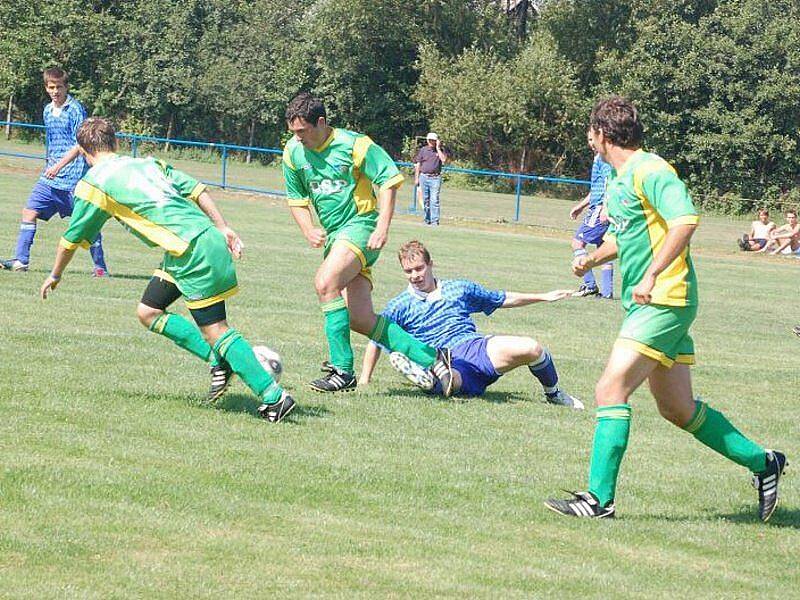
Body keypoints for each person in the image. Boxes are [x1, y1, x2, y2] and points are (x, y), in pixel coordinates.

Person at [544, 96, 786, 521]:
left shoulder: (651, 169)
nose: (588, 140)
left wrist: (653, 274)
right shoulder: (621, 180)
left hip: (665, 298)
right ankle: (765, 463)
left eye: (590, 132)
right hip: (652, 301)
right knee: (677, 408)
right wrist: (593, 258)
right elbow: (628, 237)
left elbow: (686, 220)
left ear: (602, 134)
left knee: (609, 389)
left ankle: (599, 501)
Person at [39, 117, 295, 423]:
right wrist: (222, 226)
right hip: (194, 244)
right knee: (148, 311)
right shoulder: (149, 164)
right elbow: (198, 189)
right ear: (116, 143)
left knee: (216, 330)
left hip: (191, 251)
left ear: (82, 151)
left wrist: (55, 274)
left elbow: (69, 241)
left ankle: (274, 397)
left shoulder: (95, 184)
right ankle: (220, 361)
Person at [282, 93, 453, 395]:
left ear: (320, 123)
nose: (297, 138)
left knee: (325, 282)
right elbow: (296, 200)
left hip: (362, 228)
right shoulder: (293, 153)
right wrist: (308, 229)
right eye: (293, 132)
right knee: (360, 320)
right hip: (335, 237)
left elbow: (388, 180)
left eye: (302, 131)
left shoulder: (354, 145)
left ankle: (342, 370)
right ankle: (432, 357)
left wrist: (383, 227)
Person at [360, 241, 583, 407]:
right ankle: (431, 379)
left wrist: (543, 296)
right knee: (452, 380)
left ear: (430, 264)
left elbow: (500, 298)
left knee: (532, 348)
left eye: (419, 268)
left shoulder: (459, 288)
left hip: (476, 347)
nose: (415, 275)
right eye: (408, 271)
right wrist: (364, 380)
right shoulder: (399, 305)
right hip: (443, 358)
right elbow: (376, 338)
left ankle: (554, 394)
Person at [1, 67, 109, 276]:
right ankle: (21, 261)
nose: (56, 91)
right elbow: (52, 140)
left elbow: (80, 144)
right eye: (52, 87)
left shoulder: (75, 110)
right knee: (29, 212)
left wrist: (59, 165)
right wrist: (49, 162)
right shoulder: (47, 110)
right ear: (46, 88)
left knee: (87, 224)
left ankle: (100, 268)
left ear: (66, 87)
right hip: (50, 179)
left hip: (73, 178)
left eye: (59, 87)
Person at [570, 132, 613, 298]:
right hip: (597, 207)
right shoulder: (599, 158)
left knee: (577, 243)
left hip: (599, 209)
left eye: (592, 139)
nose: (590, 143)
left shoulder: (604, 159)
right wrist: (580, 206)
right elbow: (596, 189)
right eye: (588, 139)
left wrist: (605, 207)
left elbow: (610, 183)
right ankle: (607, 292)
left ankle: (590, 285)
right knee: (604, 250)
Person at [413, 132, 449, 226]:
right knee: (425, 200)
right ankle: (427, 219)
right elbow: (418, 164)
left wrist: (438, 148)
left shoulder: (441, 150)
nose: (431, 142)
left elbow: (444, 160)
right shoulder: (423, 150)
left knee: (434, 199)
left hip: (435, 178)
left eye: (433, 140)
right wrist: (416, 178)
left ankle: (435, 221)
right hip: (423, 177)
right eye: (430, 140)